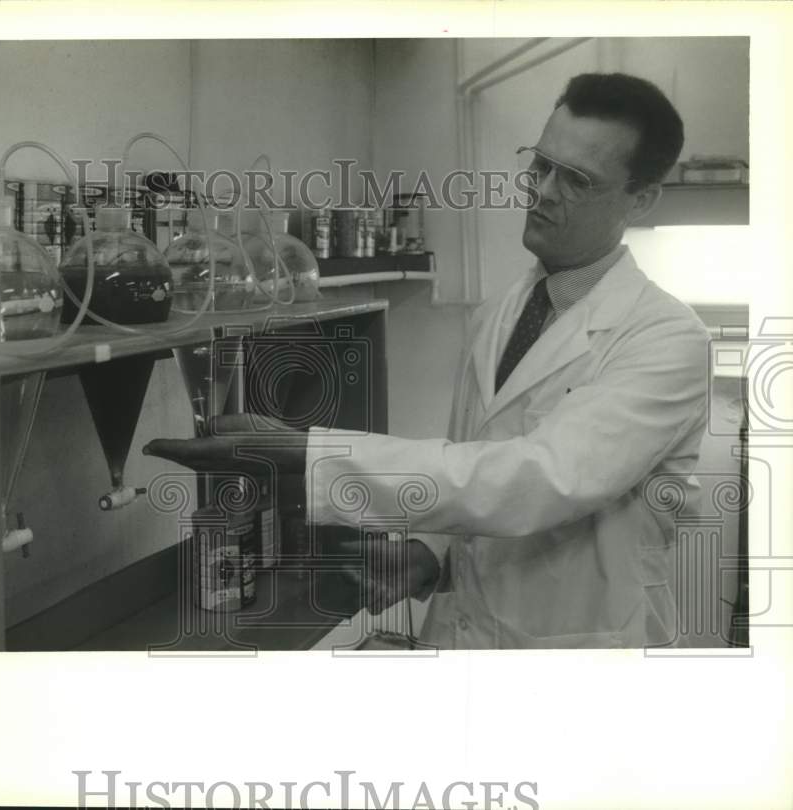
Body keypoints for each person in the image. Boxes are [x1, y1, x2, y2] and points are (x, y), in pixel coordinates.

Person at [145, 72, 710, 649]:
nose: (541, 191)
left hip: (582, 655)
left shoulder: (668, 340)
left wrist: (310, 453)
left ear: (640, 199)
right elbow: (475, 461)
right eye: (540, 166)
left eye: (575, 180)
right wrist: (431, 554)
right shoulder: (500, 313)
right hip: (466, 637)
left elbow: (541, 479)